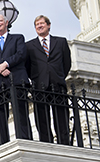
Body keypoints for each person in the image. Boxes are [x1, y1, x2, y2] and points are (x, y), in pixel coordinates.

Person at [0, 14, 31, 147]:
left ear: (6, 22)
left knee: (21, 112)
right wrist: (0, 69)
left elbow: (21, 54)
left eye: (0, 21)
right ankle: (1, 144)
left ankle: (25, 140)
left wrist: (6, 63)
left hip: (16, 79)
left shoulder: (17, 38)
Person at [26, 15, 72, 145]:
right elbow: (27, 66)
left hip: (58, 85)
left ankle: (64, 144)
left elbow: (66, 63)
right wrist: (36, 78)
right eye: (37, 25)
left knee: (62, 119)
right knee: (42, 120)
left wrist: (58, 76)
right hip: (39, 87)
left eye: (42, 23)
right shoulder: (29, 46)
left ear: (48, 25)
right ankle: (47, 145)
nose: (39, 26)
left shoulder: (61, 42)